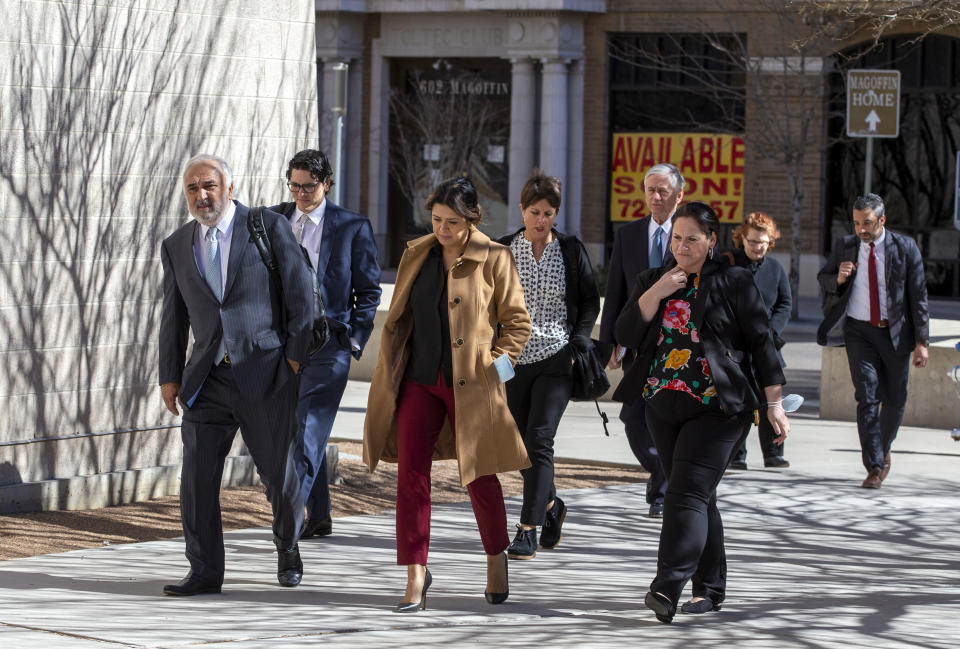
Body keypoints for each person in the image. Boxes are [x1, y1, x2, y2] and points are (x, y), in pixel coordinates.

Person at [613, 201, 789, 623]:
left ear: (711, 241)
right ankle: (710, 589)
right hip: (662, 404)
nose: (683, 245)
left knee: (684, 493)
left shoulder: (733, 281)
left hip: (719, 408)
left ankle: (666, 586)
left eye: (692, 238)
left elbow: (764, 343)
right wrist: (656, 292)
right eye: (676, 237)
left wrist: (775, 403)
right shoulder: (652, 279)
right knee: (696, 494)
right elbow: (624, 333)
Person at [362, 176, 532, 612]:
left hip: (473, 385)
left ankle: (496, 558)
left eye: (452, 222)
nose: (442, 229)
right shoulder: (416, 254)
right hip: (418, 380)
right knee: (410, 478)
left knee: (480, 476)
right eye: (436, 219)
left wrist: (498, 369)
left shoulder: (494, 257)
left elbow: (517, 324)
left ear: (471, 219)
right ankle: (416, 574)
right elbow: (401, 316)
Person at [158, 154, 314, 595]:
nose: (201, 195)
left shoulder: (265, 226)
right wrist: (169, 375)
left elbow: (301, 295)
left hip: (265, 374)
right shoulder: (176, 245)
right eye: (192, 188)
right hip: (206, 380)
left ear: (229, 186)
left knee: (279, 477)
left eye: (208, 185)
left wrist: (295, 358)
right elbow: (172, 318)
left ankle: (288, 546)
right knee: (196, 479)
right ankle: (205, 571)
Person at [271, 149, 382, 538]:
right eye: (295, 185)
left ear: (327, 184)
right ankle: (319, 514)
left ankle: (287, 525)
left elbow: (368, 291)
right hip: (283, 343)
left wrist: (354, 339)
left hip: (330, 341)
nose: (301, 193)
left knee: (308, 429)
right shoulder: (272, 220)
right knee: (292, 430)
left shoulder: (352, 226)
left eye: (309, 186)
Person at [496, 171, 600, 559]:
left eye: (549, 212)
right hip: (512, 360)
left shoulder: (570, 250)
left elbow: (589, 301)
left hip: (557, 357)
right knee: (521, 447)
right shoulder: (502, 249)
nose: (542, 219)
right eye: (535, 211)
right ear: (522, 210)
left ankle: (527, 528)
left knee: (540, 440)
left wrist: (579, 342)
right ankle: (552, 506)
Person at [817, 193, 929, 489]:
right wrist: (838, 279)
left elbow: (918, 297)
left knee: (895, 399)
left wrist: (922, 341)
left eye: (867, 223)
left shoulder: (905, 248)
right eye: (856, 223)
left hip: (895, 334)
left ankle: (882, 446)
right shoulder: (846, 245)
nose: (861, 229)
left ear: (882, 220)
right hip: (859, 332)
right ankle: (875, 466)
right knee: (867, 396)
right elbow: (824, 277)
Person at [599, 162, 683, 518]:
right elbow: (615, 291)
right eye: (651, 190)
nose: (656, 197)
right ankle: (671, 473)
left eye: (663, 190)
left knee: (665, 419)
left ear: (680, 194)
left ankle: (662, 495)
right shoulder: (629, 234)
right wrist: (610, 345)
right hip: (637, 344)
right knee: (633, 421)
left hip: (677, 347)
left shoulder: (689, 234)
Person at [727, 212, 792, 470]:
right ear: (742, 238)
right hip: (736, 345)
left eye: (763, 242)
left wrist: (772, 332)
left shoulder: (776, 268)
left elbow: (785, 304)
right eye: (752, 241)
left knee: (771, 400)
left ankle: (773, 453)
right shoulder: (730, 265)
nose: (757, 246)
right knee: (738, 401)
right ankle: (736, 455)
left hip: (766, 344)